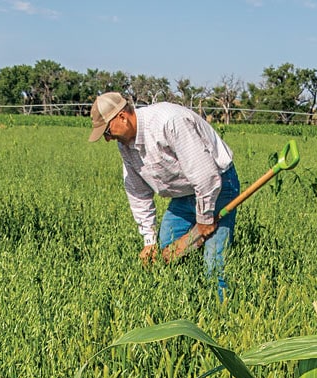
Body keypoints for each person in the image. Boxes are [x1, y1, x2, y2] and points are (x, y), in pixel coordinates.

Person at [89, 92, 240, 298]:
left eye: (107, 131)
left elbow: (206, 176)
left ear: (122, 117)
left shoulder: (169, 122)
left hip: (218, 188)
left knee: (214, 262)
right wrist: (148, 241)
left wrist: (204, 220)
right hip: (183, 194)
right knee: (165, 254)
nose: (107, 139)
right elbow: (137, 192)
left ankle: (222, 315)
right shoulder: (125, 144)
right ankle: (183, 305)